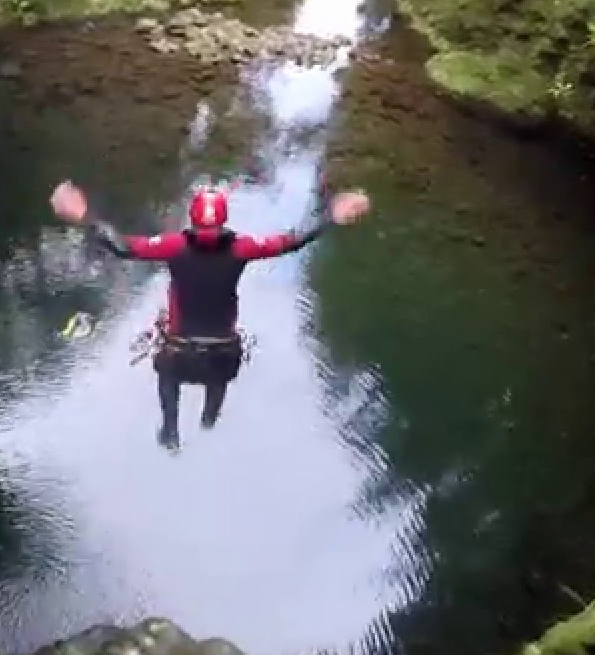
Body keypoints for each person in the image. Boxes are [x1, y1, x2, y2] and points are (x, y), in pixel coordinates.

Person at [49, 179, 371, 451]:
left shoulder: (173, 246)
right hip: (222, 349)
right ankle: (209, 422)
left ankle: (170, 430)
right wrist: (331, 216)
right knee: (218, 384)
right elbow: (293, 241)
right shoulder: (242, 248)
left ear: (192, 218)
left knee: (167, 378)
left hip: (179, 348)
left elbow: (120, 246)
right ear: (224, 219)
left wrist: (86, 215)